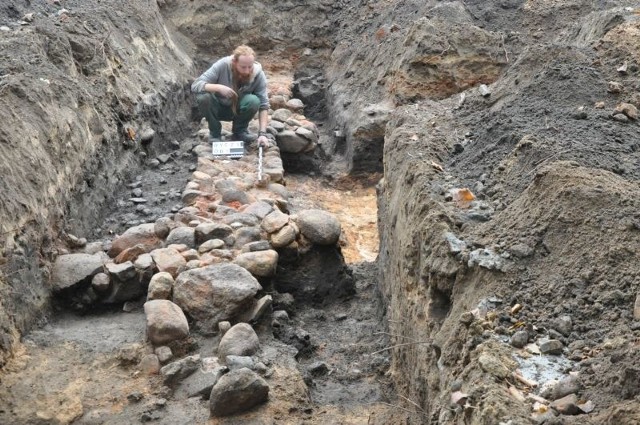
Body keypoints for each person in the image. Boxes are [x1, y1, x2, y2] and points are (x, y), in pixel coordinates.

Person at [191, 45, 270, 147]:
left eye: (250, 67)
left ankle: (239, 132)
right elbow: (195, 85)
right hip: (218, 107)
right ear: (234, 62)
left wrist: (262, 134)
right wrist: (218, 88)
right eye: (243, 67)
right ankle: (214, 134)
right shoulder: (222, 65)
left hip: (238, 110)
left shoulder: (258, 74)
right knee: (203, 97)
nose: (247, 71)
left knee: (254, 101)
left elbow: (264, 105)